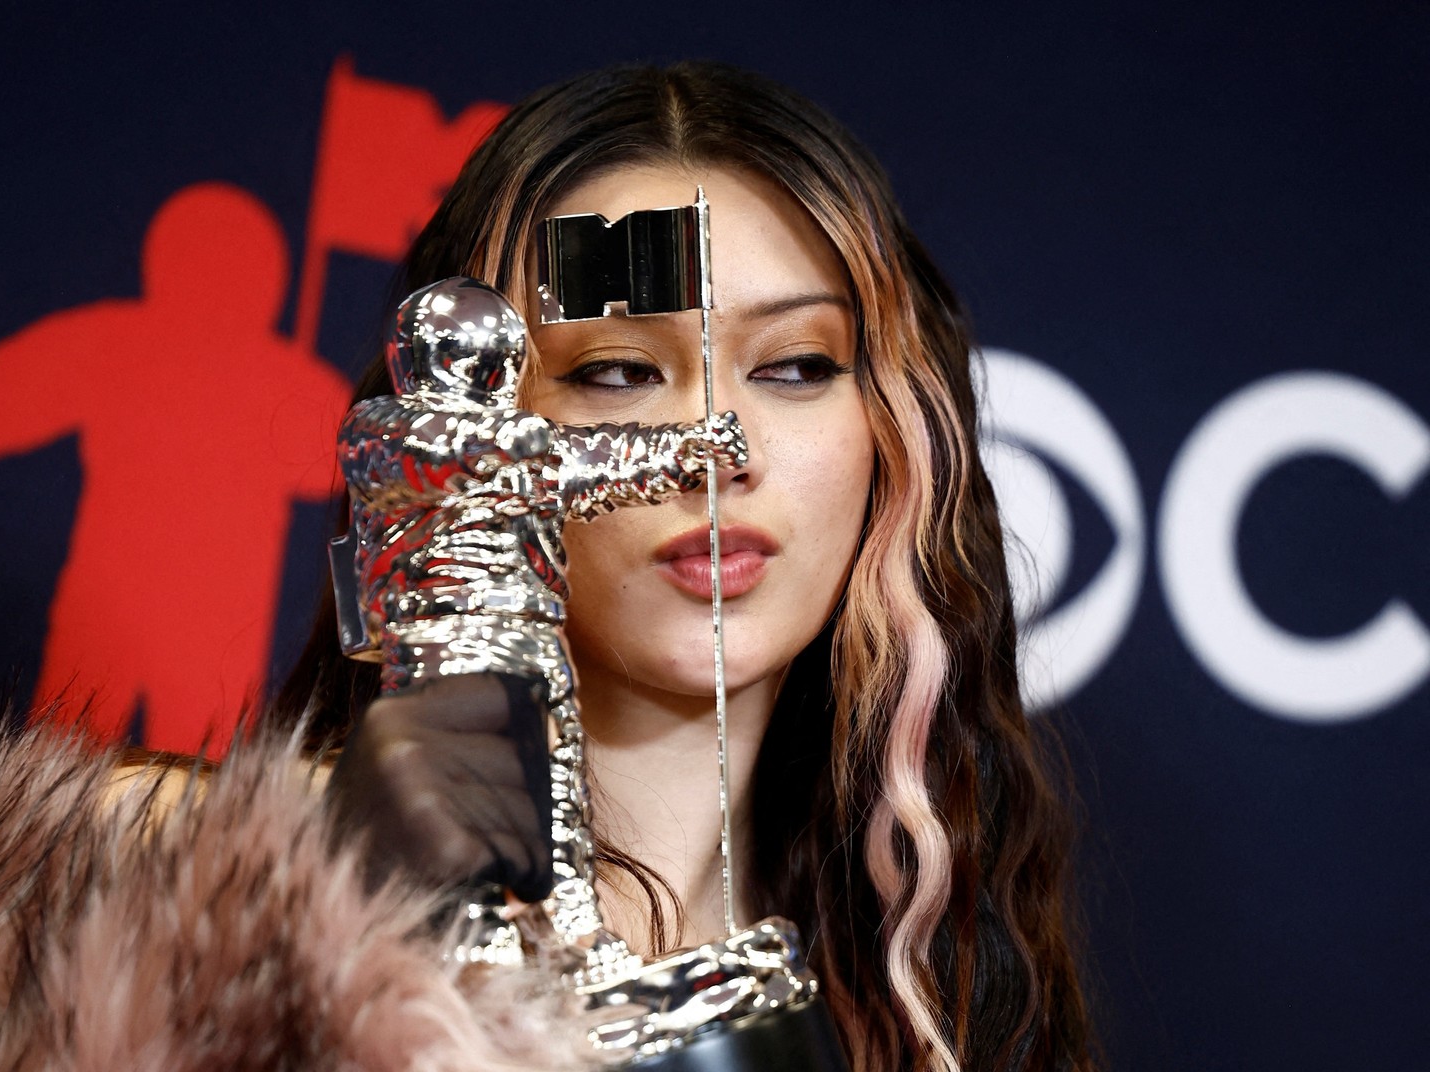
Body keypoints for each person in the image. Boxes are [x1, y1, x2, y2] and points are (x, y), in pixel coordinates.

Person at [278, 61, 1095, 1072]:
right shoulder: (211, 918)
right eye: (615, 370)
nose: (727, 445)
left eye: (796, 365)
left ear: (895, 431)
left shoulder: (929, 997)